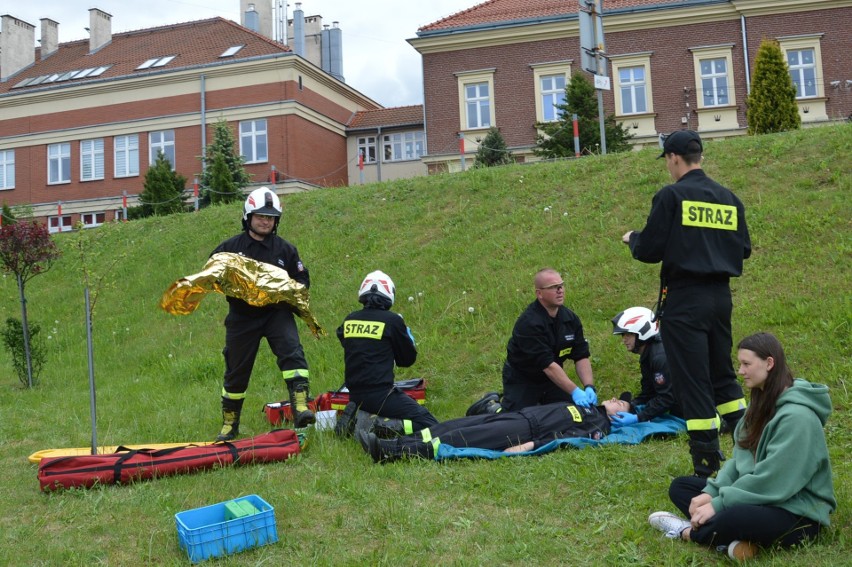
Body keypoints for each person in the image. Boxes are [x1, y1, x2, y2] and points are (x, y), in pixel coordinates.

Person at [622, 130, 751, 477]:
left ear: (673, 158)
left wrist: (633, 239)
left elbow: (649, 250)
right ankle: (752, 447)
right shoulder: (729, 199)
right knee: (722, 374)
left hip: (684, 300)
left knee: (692, 381)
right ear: (700, 158)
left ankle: (706, 466)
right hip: (720, 298)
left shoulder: (671, 196)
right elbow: (743, 250)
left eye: (666, 160)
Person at [648, 332, 836, 561]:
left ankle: (686, 531)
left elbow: (773, 481)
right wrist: (713, 492)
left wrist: (719, 504)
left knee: (732, 516)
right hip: (760, 496)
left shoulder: (799, 418)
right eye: (739, 364)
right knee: (681, 487)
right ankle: (739, 542)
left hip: (797, 511)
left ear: (769, 363)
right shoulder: (761, 402)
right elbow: (739, 460)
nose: (740, 371)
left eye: (746, 364)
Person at [211, 187, 315, 441]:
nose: (265, 221)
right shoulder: (230, 248)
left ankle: (300, 407)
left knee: (293, 353)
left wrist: (293, 291)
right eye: (260, 216)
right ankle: (229, 425)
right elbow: (212, 273)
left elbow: (302, 279)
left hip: (276, 315)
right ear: (248, 217)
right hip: (242, 318)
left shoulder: (285, 250)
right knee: (236, 371)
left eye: (270, 217)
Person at [356, 397, 632, 463]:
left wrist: (529, 446)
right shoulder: (589, 405)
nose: (613, 399)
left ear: (620, 416)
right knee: (451, 426)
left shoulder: (599, 425)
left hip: (525, 431)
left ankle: (390, 452)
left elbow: (566, 437)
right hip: (518, 417)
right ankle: (398, 439)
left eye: (620, 403)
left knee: (458, 439)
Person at [335, 270, 439, 437]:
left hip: (353, 394)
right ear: (389, 293)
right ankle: (374, 427)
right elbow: (407, 360)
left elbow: (341, 335)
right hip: (381, 394)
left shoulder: (350, 319)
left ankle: (357, 417)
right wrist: (407, 336)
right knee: (428, 423)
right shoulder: (392, 321)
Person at [500, 268, 597, 412]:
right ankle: (489, 407)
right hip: (523, 379)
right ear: (539, 293)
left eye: (561, 285)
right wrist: (575, 391)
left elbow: (581, 355)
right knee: (517, 420)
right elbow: (547, 365)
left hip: (552, 380)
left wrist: (589, 386)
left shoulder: (570, 319)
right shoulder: (529, 323)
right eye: (553, 287)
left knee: (573, 413)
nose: (560, 290)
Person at [609, 306, 681, 425]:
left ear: (643, 331)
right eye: (623, 335)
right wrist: (632, 405)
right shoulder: (648, 354)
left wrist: (638, 417)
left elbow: (667, 398)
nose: (624, 340)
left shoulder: (659, 357)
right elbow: (649, 392)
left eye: (628, 335)